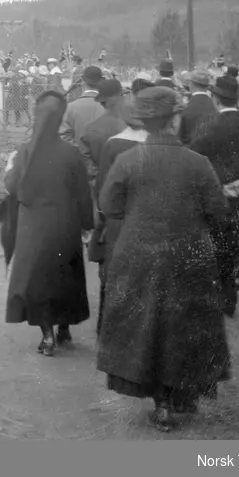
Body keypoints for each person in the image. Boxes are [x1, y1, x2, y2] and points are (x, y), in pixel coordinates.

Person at [96, 86, 231, 431]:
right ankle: (180, 394)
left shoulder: (127, 160)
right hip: (189, 255)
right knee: (183, 326)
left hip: (139, 255)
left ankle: (162, 404)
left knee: (149, 328)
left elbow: (109, 206)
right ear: (173, 119)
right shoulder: (197, 163)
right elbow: (218, 211)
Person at [0, 89, 93, 357]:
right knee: (65, 278)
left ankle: (47, 335)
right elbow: (83, 193)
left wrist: (8, 168)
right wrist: (87, 223)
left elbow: (13, 186)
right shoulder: (72, 154)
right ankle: (64, 329)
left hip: (34, 229)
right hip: (65, 227)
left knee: (37, 282)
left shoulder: (25, 152)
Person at [189, 74, 239, 322]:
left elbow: (195, 161)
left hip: (219, 197)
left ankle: (227, 300)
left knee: (222, 250)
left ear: (215, 98)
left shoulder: (207, 127)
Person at [89, 79, 152, 335]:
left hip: (118, 222)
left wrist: (103, 219)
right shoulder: (156, 144)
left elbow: (103, 190)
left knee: (112, 274)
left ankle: (108, 326)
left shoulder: (114, 144)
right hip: (148, 221)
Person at [60, 65, 105, 144]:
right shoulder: (108, 107)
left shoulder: (71, 107)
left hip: (76, 154)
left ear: (83, 81)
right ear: (101, 82)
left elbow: (64, 137)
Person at [179, 70, 217, 145]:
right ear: (207, 86)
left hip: (190, 152)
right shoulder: (216, 106)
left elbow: (180, 137)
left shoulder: (185, 107)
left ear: (191, 84)